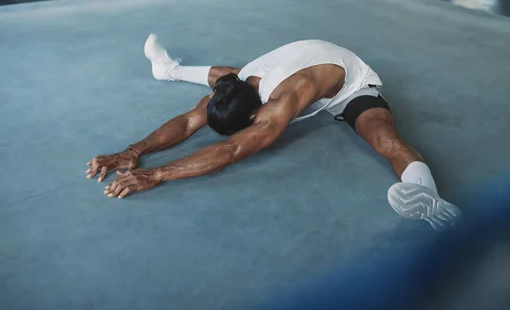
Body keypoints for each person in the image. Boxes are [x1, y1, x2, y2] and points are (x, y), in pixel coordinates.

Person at [86, 34, 461, 230]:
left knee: (382, 135)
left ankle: (428, 197)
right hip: (290, 69)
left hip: (348, 86)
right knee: (221, 72)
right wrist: (132, 151)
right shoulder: (235, 84)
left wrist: (156, 173)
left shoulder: (281, 103)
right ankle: (167, 70)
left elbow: (232, 151)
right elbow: (187, 121)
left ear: (255, 117)